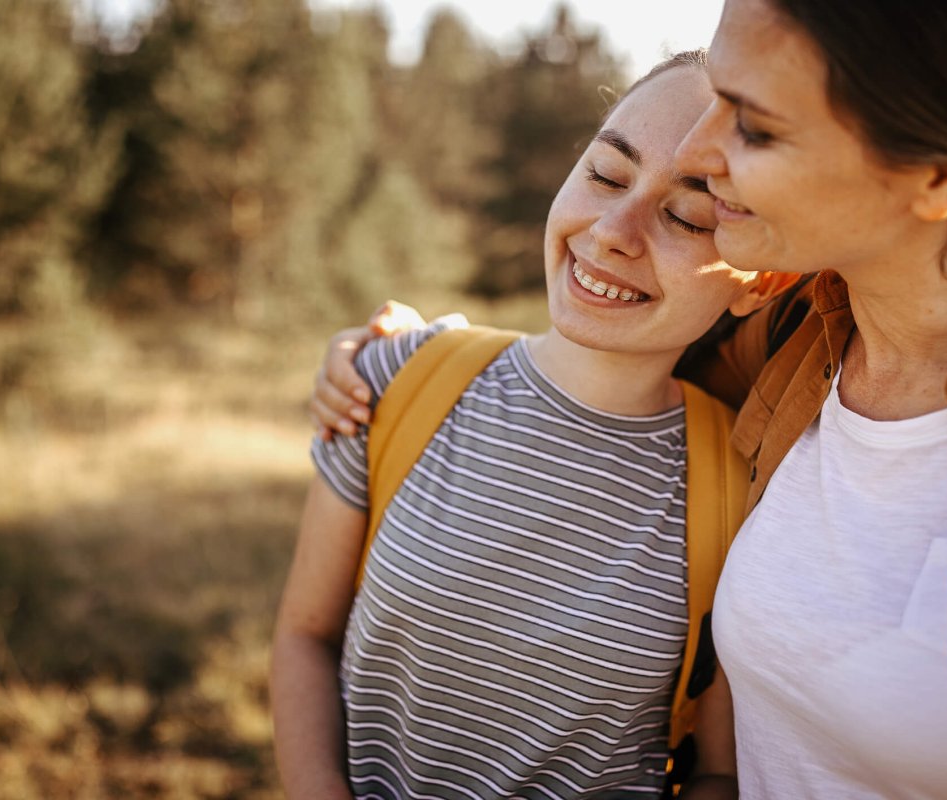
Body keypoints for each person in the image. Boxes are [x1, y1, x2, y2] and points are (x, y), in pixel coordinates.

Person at [311, 0, 947, 797]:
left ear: (941, 177)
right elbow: (600, 340)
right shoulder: (786, 342)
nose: (704, 148)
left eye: (754, 125)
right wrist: (404, 354)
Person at [271, 52, 799, 799]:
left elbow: (717, 770)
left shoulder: (746, 488)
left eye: (687, 214)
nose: (614, 230)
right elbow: (305, 637)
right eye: (606, 176)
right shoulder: (398, 379)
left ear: (763, 279)